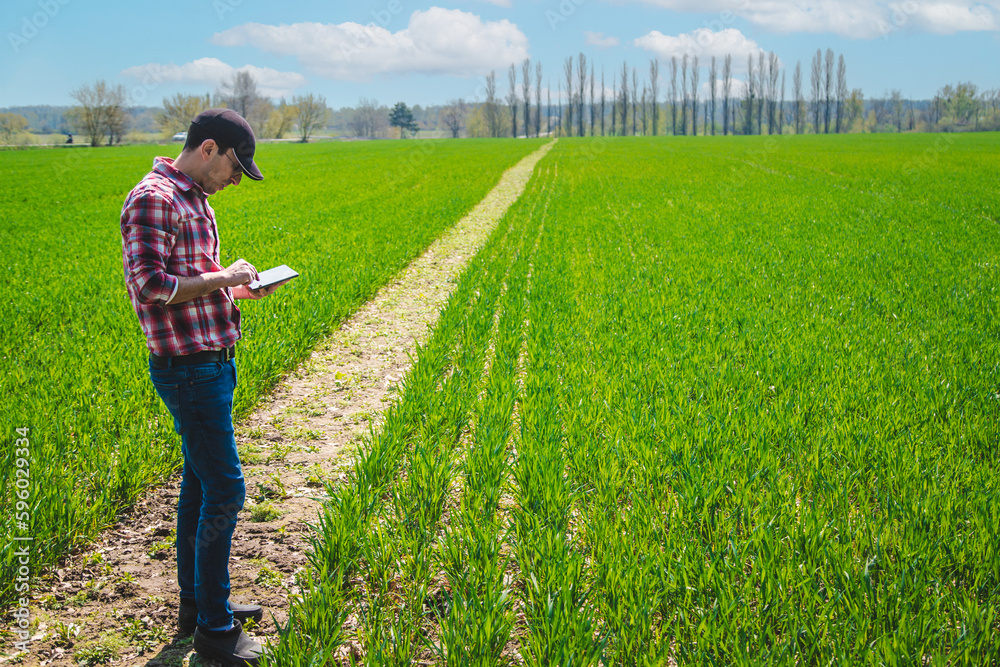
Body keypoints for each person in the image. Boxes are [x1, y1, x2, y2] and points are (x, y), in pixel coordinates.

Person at [121, 108, 284, 666]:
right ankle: (215, 632)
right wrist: (226, 277)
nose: (238, 179)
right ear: (209, 149)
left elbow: (188, 286)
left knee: (199, 485)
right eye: (237, 167)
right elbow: (149, 286)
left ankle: (198, 604)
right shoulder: (154, 198)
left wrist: (236, 292)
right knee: (226, 490)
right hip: (188, 368)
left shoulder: (196, 200)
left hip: (213, 360)